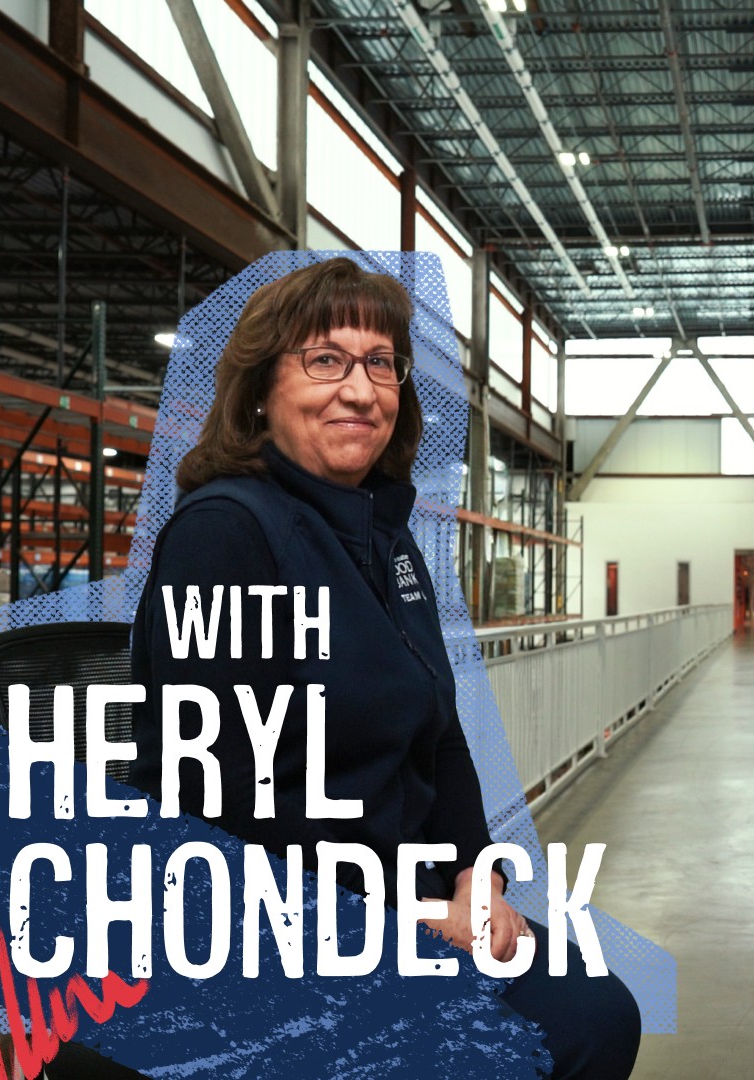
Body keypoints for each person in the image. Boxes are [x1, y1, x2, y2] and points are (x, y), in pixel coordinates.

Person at [126, 257, 640, 1079]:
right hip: (279, 923)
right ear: (261, 389)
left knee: (596, 1011)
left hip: (411, 901)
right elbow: (214, 794)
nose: (360, 391)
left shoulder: (387, 541)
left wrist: (479, 878)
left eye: (379, 363)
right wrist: (397, 913)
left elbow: (439, 737)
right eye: (325, 360)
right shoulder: (226, 534)